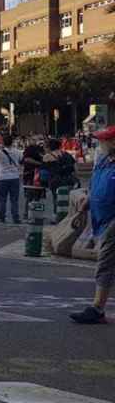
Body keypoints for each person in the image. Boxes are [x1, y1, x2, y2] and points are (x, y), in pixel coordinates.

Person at [70, 125, 115, 324]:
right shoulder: (104, 162)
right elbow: (96, 185)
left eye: (103, 140)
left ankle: (97, 309)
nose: (100, 143)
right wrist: (87, 201)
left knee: (105, 262)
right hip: (102, 218)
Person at [0, 134, 23, 224]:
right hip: (15, 177)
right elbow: (22, 160)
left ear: (3, 143)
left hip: (2, 178)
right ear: (12, 142)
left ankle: (2, 217)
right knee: (14, 200)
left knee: (2, 199)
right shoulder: (18, 152)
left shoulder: (0, 152)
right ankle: (15, 217)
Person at [21, 139, 46, 220]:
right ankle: (27, 213)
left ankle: (36, 214)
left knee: (38, 196)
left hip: (39, 175)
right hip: (30, 175)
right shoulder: (29, 149)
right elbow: (27, 159)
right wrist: (40, 163)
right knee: (30, 195)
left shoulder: (41, 149)